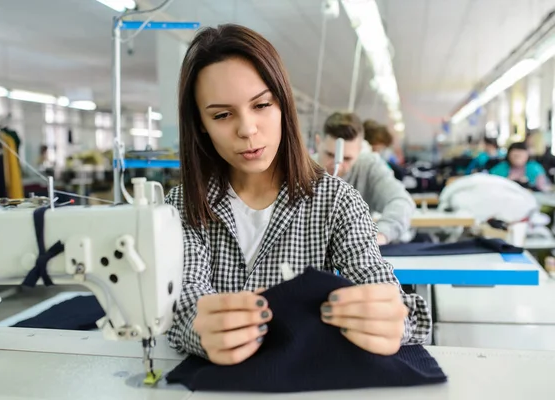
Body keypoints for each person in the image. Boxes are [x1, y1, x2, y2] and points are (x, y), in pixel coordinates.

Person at [164, 24, 430, 365]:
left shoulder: (337, 202)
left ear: (283, 105)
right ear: (200, 123)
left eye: (261, 105)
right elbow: (181, 304)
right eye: (222, 114)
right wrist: (197, 328)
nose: (247, 129)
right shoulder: (183, 207)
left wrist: (390, 320)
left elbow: (386, 295)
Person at [313, 112, 415, 245]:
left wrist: (379, 236)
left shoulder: (369, 165)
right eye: (330, 154)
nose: (337, 164)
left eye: (347, 158)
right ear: (318, 142)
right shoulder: (299, 168)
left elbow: (401, 201)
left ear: (360, 149)